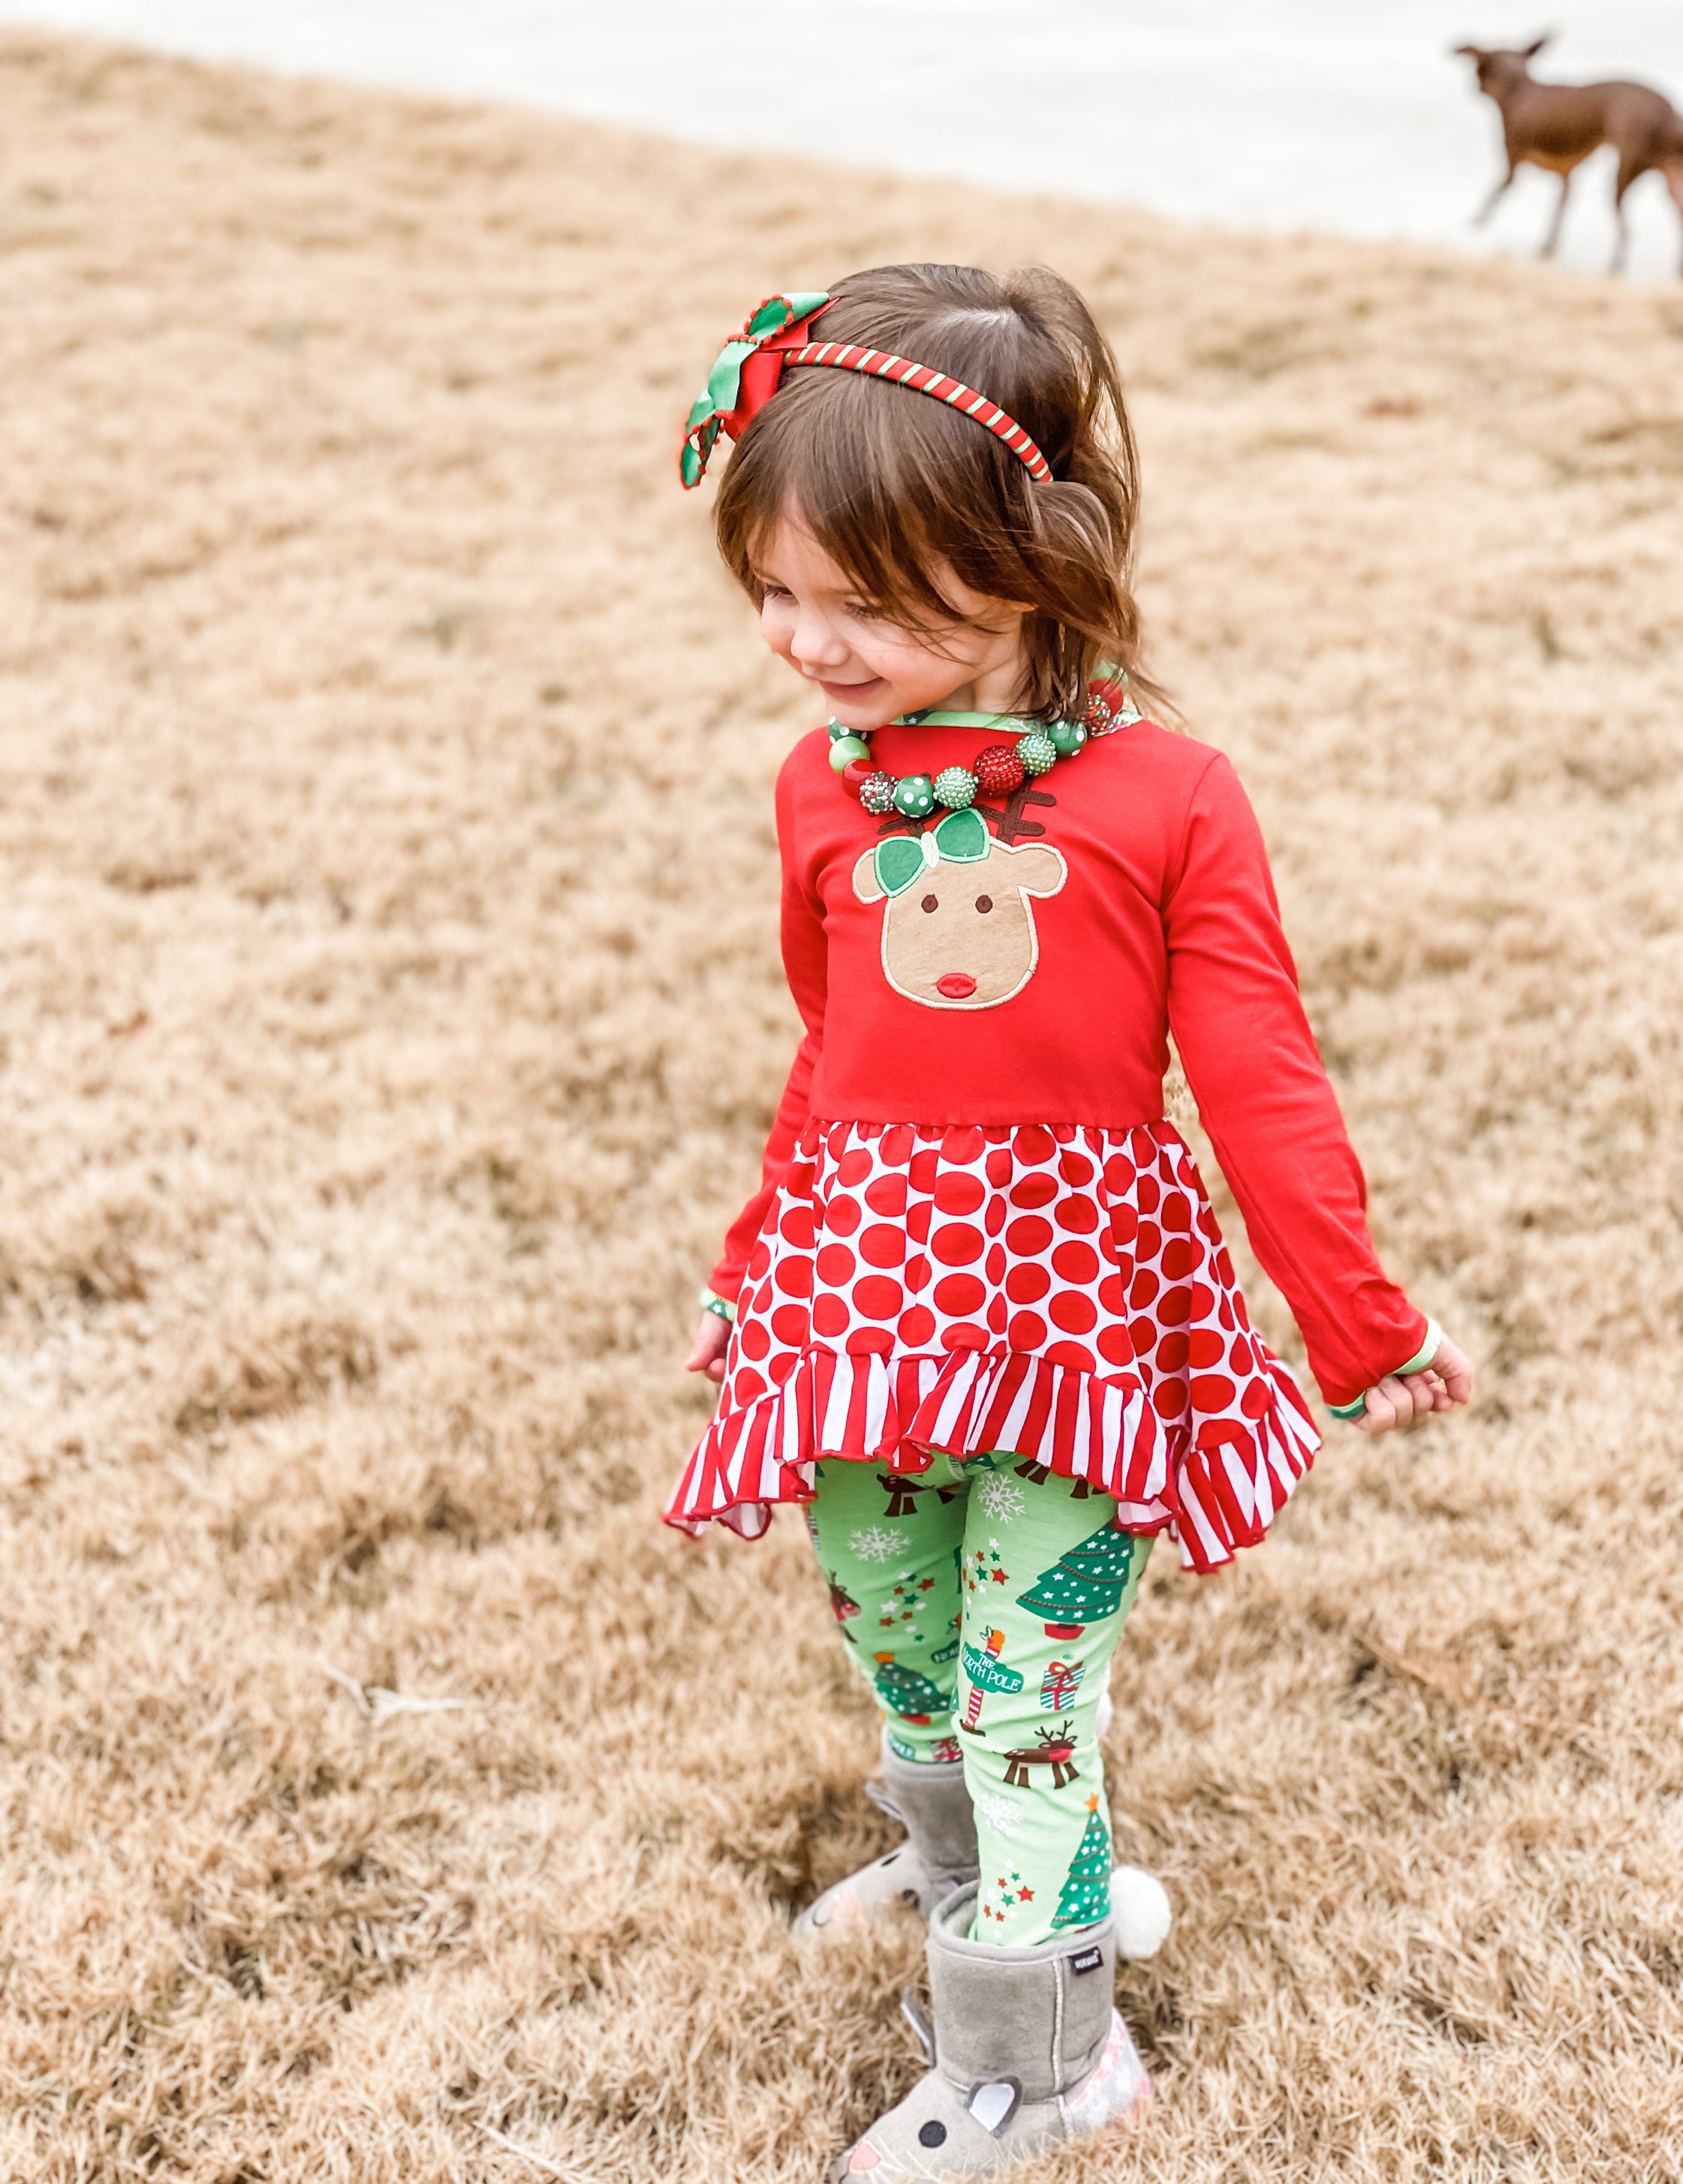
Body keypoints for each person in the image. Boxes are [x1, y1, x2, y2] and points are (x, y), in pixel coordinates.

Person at [665, 265, 1473, 2181]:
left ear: (1027, 566)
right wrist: (748, 1269)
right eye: (773, 592)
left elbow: (1260, 1081)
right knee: (902, 1632)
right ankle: (985, 1876)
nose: (802, 642)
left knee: (1036, 1678)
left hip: (1076, 1325)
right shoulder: (821, 789)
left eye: (856, 602)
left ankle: (1045, 2052)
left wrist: (1354, 1322)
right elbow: (834, 1056)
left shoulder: (1171, 797)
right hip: (858, 1307)